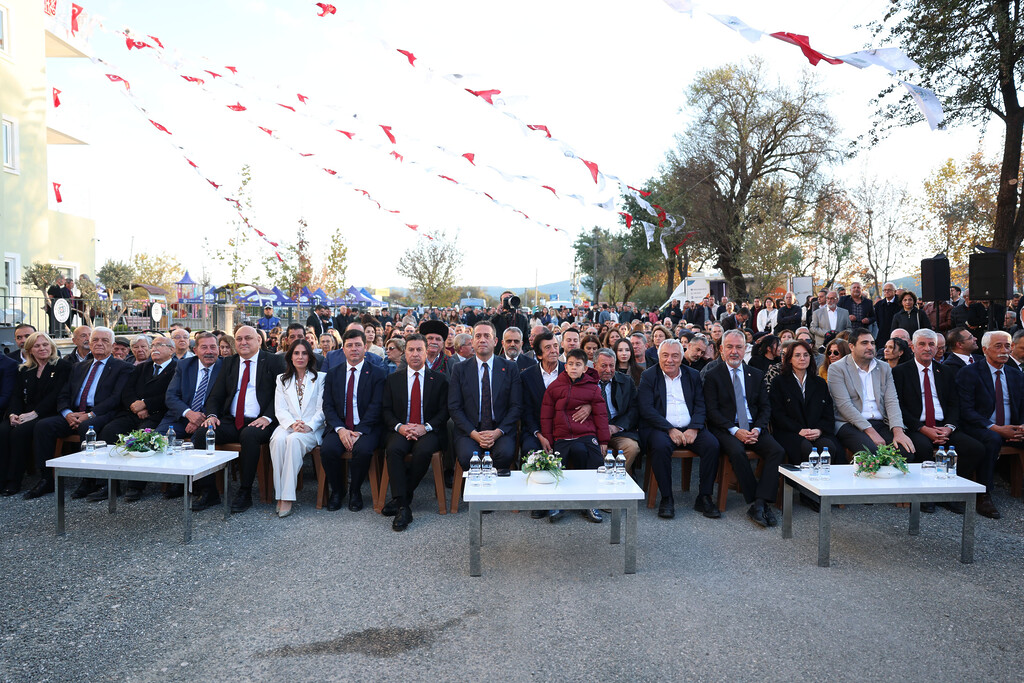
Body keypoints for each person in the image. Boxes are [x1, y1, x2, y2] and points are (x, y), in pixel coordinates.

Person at [27, 327, 132, 500]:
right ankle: (46, 479)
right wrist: (68, 413)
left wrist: (89, 415)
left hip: (101, 413)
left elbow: (115, 398)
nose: (99, 343)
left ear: (112, 345)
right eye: (95, 340)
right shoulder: (78, 367)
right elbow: (63, 394)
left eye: (104, 341)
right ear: (89, 343)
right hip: (74, 414)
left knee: (87, 426)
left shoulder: (123, 368)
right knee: (43, 426)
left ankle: (89, 480)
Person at [191, 326, 286, 513]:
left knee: (249, 435)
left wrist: (268, 417)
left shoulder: (274, 362)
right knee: (202, 433)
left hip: (262, 421)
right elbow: (216, 396)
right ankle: (209, 491)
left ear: (259, 340)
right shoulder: (229, 363)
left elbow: (282, 394)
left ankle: (245, 492)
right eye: (239, 339)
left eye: (248, 338)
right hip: (231, 420)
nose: (243, 342)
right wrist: (211, 415)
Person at [892, 329, 985, 513]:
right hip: (916, 427)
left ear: (937, 348)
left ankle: (949, 493)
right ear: (912, 347)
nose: (927, 348)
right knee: (922, 448)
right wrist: (921, 428)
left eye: (931, 344)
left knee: (975, 448)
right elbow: (898, 406)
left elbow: (954, 404)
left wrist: (949, 428)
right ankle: (925, 495)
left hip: (943, 426)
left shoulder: (946, 371)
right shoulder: (901, 372)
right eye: (922, 344)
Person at [703, 330, 785, 528]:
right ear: (721, 350)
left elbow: (766, 407)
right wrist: (735, 431)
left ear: (745, 349)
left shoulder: (755, 375)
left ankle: (759, 503)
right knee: (737, 452)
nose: (734, 352)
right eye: (729, 347)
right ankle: (759, 502)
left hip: (753, 427)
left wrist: (757, 428)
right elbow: (712, 411)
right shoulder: (713, 376)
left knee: (777, 451)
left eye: (739, 347)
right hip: (726, 429)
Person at [638, 339, 720, 520]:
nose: (670, 360)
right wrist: (669, 429)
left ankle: (704, 496)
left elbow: (700, 405)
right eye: (665, 355)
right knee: (660, 447)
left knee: (712, 445)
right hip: (661, 428)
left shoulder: (692, 375)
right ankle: (667, 497)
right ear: (658, 356)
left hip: (690, 427)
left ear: (681, 357)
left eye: (675, 356)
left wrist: (694, 428)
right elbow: (646, 409)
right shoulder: (649, 376)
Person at [95, 336, 178, 502]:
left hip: (157, 415)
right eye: (153, 345)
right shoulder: (141, 368)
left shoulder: (177, 368)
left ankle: (135, 486)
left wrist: (146, 404)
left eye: (160, 345)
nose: (154, 348)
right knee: (109, 431)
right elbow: (127, 390)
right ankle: (108, 483)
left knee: (143, 437)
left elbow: (171, 394)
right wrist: (134, 405)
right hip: (132, 412)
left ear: (171, 350)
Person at [380, 334, 449, 531]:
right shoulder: (393, 380)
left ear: (427, 353)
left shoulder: (440, 380)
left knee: (423, 451)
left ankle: (401, 498)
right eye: (411, 350)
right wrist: (400, 427)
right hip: (401, 429)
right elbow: (385, 410)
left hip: (429, 431)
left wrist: (425, 427)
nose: (415, 354)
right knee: (393, 450)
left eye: (420, 350)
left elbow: (444, 411)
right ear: (405, 353)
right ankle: (404, 506)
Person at [957, 330, 1024, 519]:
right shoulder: (969, 373)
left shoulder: (1016, 374)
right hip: (981, 428)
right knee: (992, 439)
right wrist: (995, 428)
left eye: (1008, 346)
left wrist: (1022, 426)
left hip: (1013, 428)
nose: (1004, 350)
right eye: (998, 346)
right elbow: (966, 410)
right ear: (985, 349)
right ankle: (984, 495)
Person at [320, 329, 387, 512]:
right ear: (343, 349)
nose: (354, 349)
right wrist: (340, 429)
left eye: (358, 345)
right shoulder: (333, 374)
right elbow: (328, 406)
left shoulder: (377, 373)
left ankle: (355, 491)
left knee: (363, 450)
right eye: (349, 345)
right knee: (328, 450)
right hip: (341, 425)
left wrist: (360, 430)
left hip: (367, 427)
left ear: (366, 347)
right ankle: (338, 491)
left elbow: (377, 406)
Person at [539, 348, 608, 523]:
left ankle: (591, 503)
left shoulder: (592, 388)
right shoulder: (555, 387)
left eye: (578, 365)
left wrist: (603, 440)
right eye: (570, 364)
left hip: (586, 433)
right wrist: (548, 437)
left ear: (585, 368)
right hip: (562, 435)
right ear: (565, 366)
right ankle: (557, 503)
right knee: (556, 465)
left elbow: (601, 415)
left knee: (596, 460)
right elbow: (546, 414)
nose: (574, 368)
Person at [827, 328, 916, 458]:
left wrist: (898, 431)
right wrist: (871, 432)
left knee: (905, 452)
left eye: (872, 343)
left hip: (880, 422)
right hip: (850, 424)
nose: (870, 347)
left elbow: (891, 401)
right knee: (872, 452)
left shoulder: (884, 367)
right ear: (851, 346)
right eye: (864, 343)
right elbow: (844, 405)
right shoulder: (837, 368)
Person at [448, 320, 522, 475]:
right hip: (469, 430)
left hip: (500, 429)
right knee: (468, 457)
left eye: (487, 336)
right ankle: (472, 497)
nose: (482, 339)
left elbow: (516, 406)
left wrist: (497, 432)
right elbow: (454, 407)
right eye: (478, 336)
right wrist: (474, 434)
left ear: (495, 341)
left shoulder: (509, 368)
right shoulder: (460, 369)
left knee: (504, 454)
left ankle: (495, 497)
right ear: (472, 341)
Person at [0, 333, 69, 495]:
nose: (42, 348)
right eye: (37, 346)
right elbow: (16, 396)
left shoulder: (62, 366)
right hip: (25, 413)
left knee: (20, 432)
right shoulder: (24, 369)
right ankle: (2, 478)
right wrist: (13, 414)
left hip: (50, 412)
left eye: (45, 344)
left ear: (51, 346)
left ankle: (14, 481)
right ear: (30, 350)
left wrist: (34, 413)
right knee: (3, 430)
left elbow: (56, 395)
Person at [268, 339, 325, 519]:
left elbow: (322, 409)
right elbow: (280, 408)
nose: (300, 357)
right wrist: (292, 424)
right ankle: (279, 494)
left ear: (310, 356)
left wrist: (308, 425)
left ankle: (287, 497)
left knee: (292, 441)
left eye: (304, 353)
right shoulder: (282, 379)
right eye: (296, 353)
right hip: (289, 423)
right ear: (290, 356)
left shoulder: (320, 378)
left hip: (312, 427)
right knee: (277, 440)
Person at [769, 339, 843, 471]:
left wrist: (819, 430)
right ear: (789, 359)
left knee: (829, 447)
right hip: (790, 431)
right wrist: (799, 430)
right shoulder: (779, 382)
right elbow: (777, 414)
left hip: (816, 431)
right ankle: (804, 489)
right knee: (806, 449)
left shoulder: (819, 383)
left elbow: (828, 413)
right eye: (797, 355)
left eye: (806, 355)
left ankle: (825, 486)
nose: (802, 358)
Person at [593, 348, 641, 472]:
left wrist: (616, 427)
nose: (608, 370)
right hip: (594, 431)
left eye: (611, 365)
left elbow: (634, 409)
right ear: (594, 365)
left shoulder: (626, 381)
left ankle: (615, 478)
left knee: (632, 447)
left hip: (618, 429)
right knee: (595, 450)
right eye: (604, 366)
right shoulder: (586, 383)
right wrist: (601, 428)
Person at [874, 282, 902, 348]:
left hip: (897, 335)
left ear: (895, 291)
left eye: (889, 290)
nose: (886, 291)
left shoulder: (901, 304)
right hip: (882, 335)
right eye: (884, 290)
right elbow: (877, 320)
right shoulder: (879, 305)